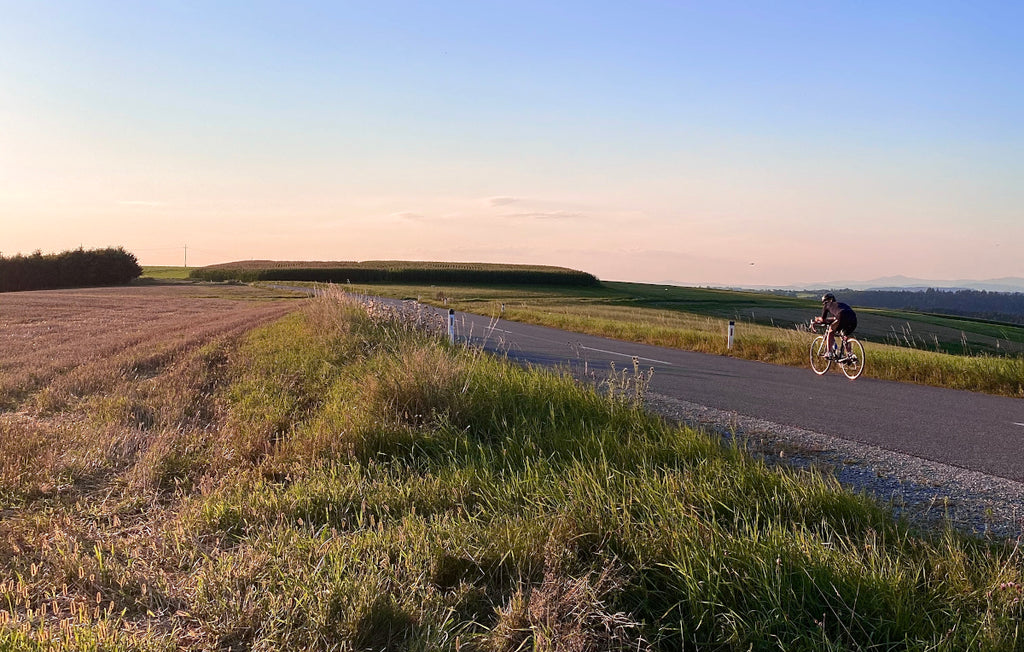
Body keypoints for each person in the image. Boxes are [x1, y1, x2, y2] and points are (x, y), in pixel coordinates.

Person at [812, 293, 857, 359]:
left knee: (831, 330)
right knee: (844, 336)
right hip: (853, 317)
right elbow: (835, 318)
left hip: (842, 315)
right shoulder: (839, 305)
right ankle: (850, 354)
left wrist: (816, 319)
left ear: (824, 301)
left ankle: (829, 352)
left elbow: (822, 319)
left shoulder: (827, 305)